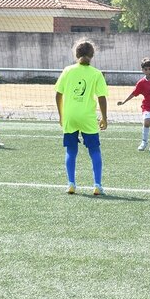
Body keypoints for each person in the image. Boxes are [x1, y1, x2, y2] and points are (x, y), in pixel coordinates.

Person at [55, 41, 109, 196]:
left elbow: (58, 94)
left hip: (70, 116)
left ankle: (71, 184)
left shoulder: (67, 71)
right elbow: (102, 97)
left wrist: (61, 115)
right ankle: (97, 185)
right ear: (92, 55)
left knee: (71, 151)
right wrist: (104, 118)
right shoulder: (96, 73)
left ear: (76, 54)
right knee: (94, 150)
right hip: (87, 117)